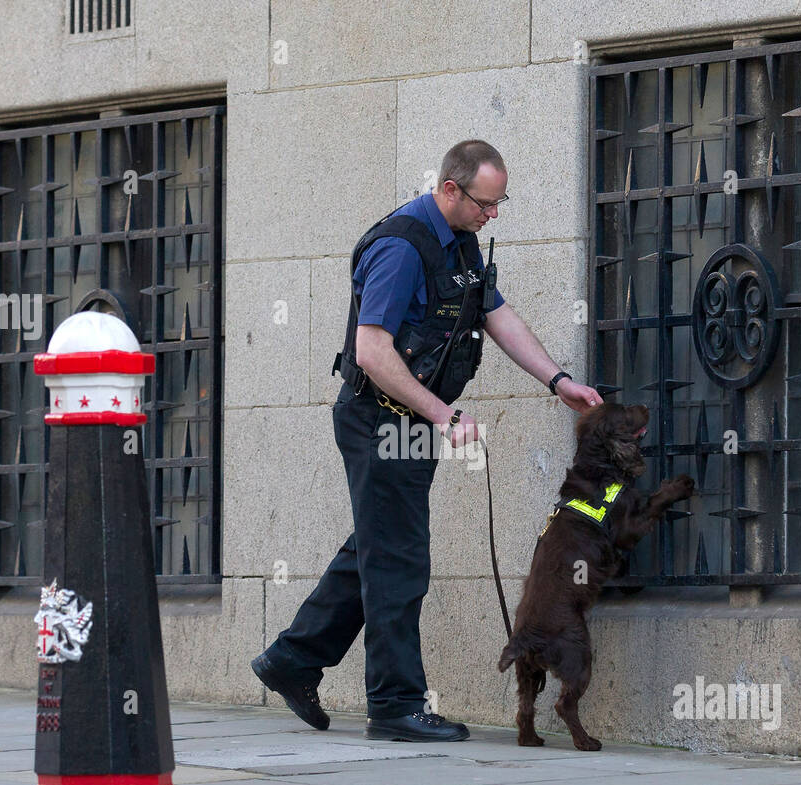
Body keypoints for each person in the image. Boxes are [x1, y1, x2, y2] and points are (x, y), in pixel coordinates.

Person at [251, 139, 604, 742]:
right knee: (398, 562)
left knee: (376, 547)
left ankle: (293, 659)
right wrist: (444, 415)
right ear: (449, 190)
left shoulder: (458, 241)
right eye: (486, 203)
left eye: (499, 203)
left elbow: (496, 314)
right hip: (378, 421)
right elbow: (373, 351)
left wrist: (557, 380)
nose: (492, 214)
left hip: (408, 423)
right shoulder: (401, 248)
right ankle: (394, 705)